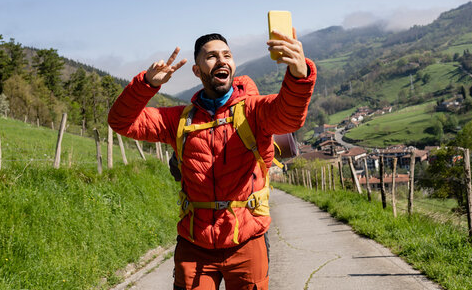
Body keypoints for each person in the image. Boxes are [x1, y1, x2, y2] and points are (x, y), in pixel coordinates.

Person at [108, 29, 316, 289]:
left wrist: (299, 75)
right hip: (195, 244)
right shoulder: (180, 119)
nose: (221, 60)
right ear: (197, 71)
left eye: (227, 55)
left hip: (247, 239)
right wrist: (146, 84)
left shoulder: (254, 110)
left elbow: (289, 116)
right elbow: (121, 122)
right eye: (212, 56)